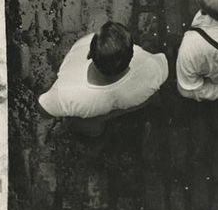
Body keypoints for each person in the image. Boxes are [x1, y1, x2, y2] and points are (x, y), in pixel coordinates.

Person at [38, 21, 168, 135]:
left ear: (89, 55)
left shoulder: (67, 92)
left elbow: (43, 109)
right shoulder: (150, 68)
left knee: (93, 130)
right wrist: (113, 113)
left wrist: (97, 117)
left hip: (89, 116)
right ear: (131, 57)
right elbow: (162, 68)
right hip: (131, 103)